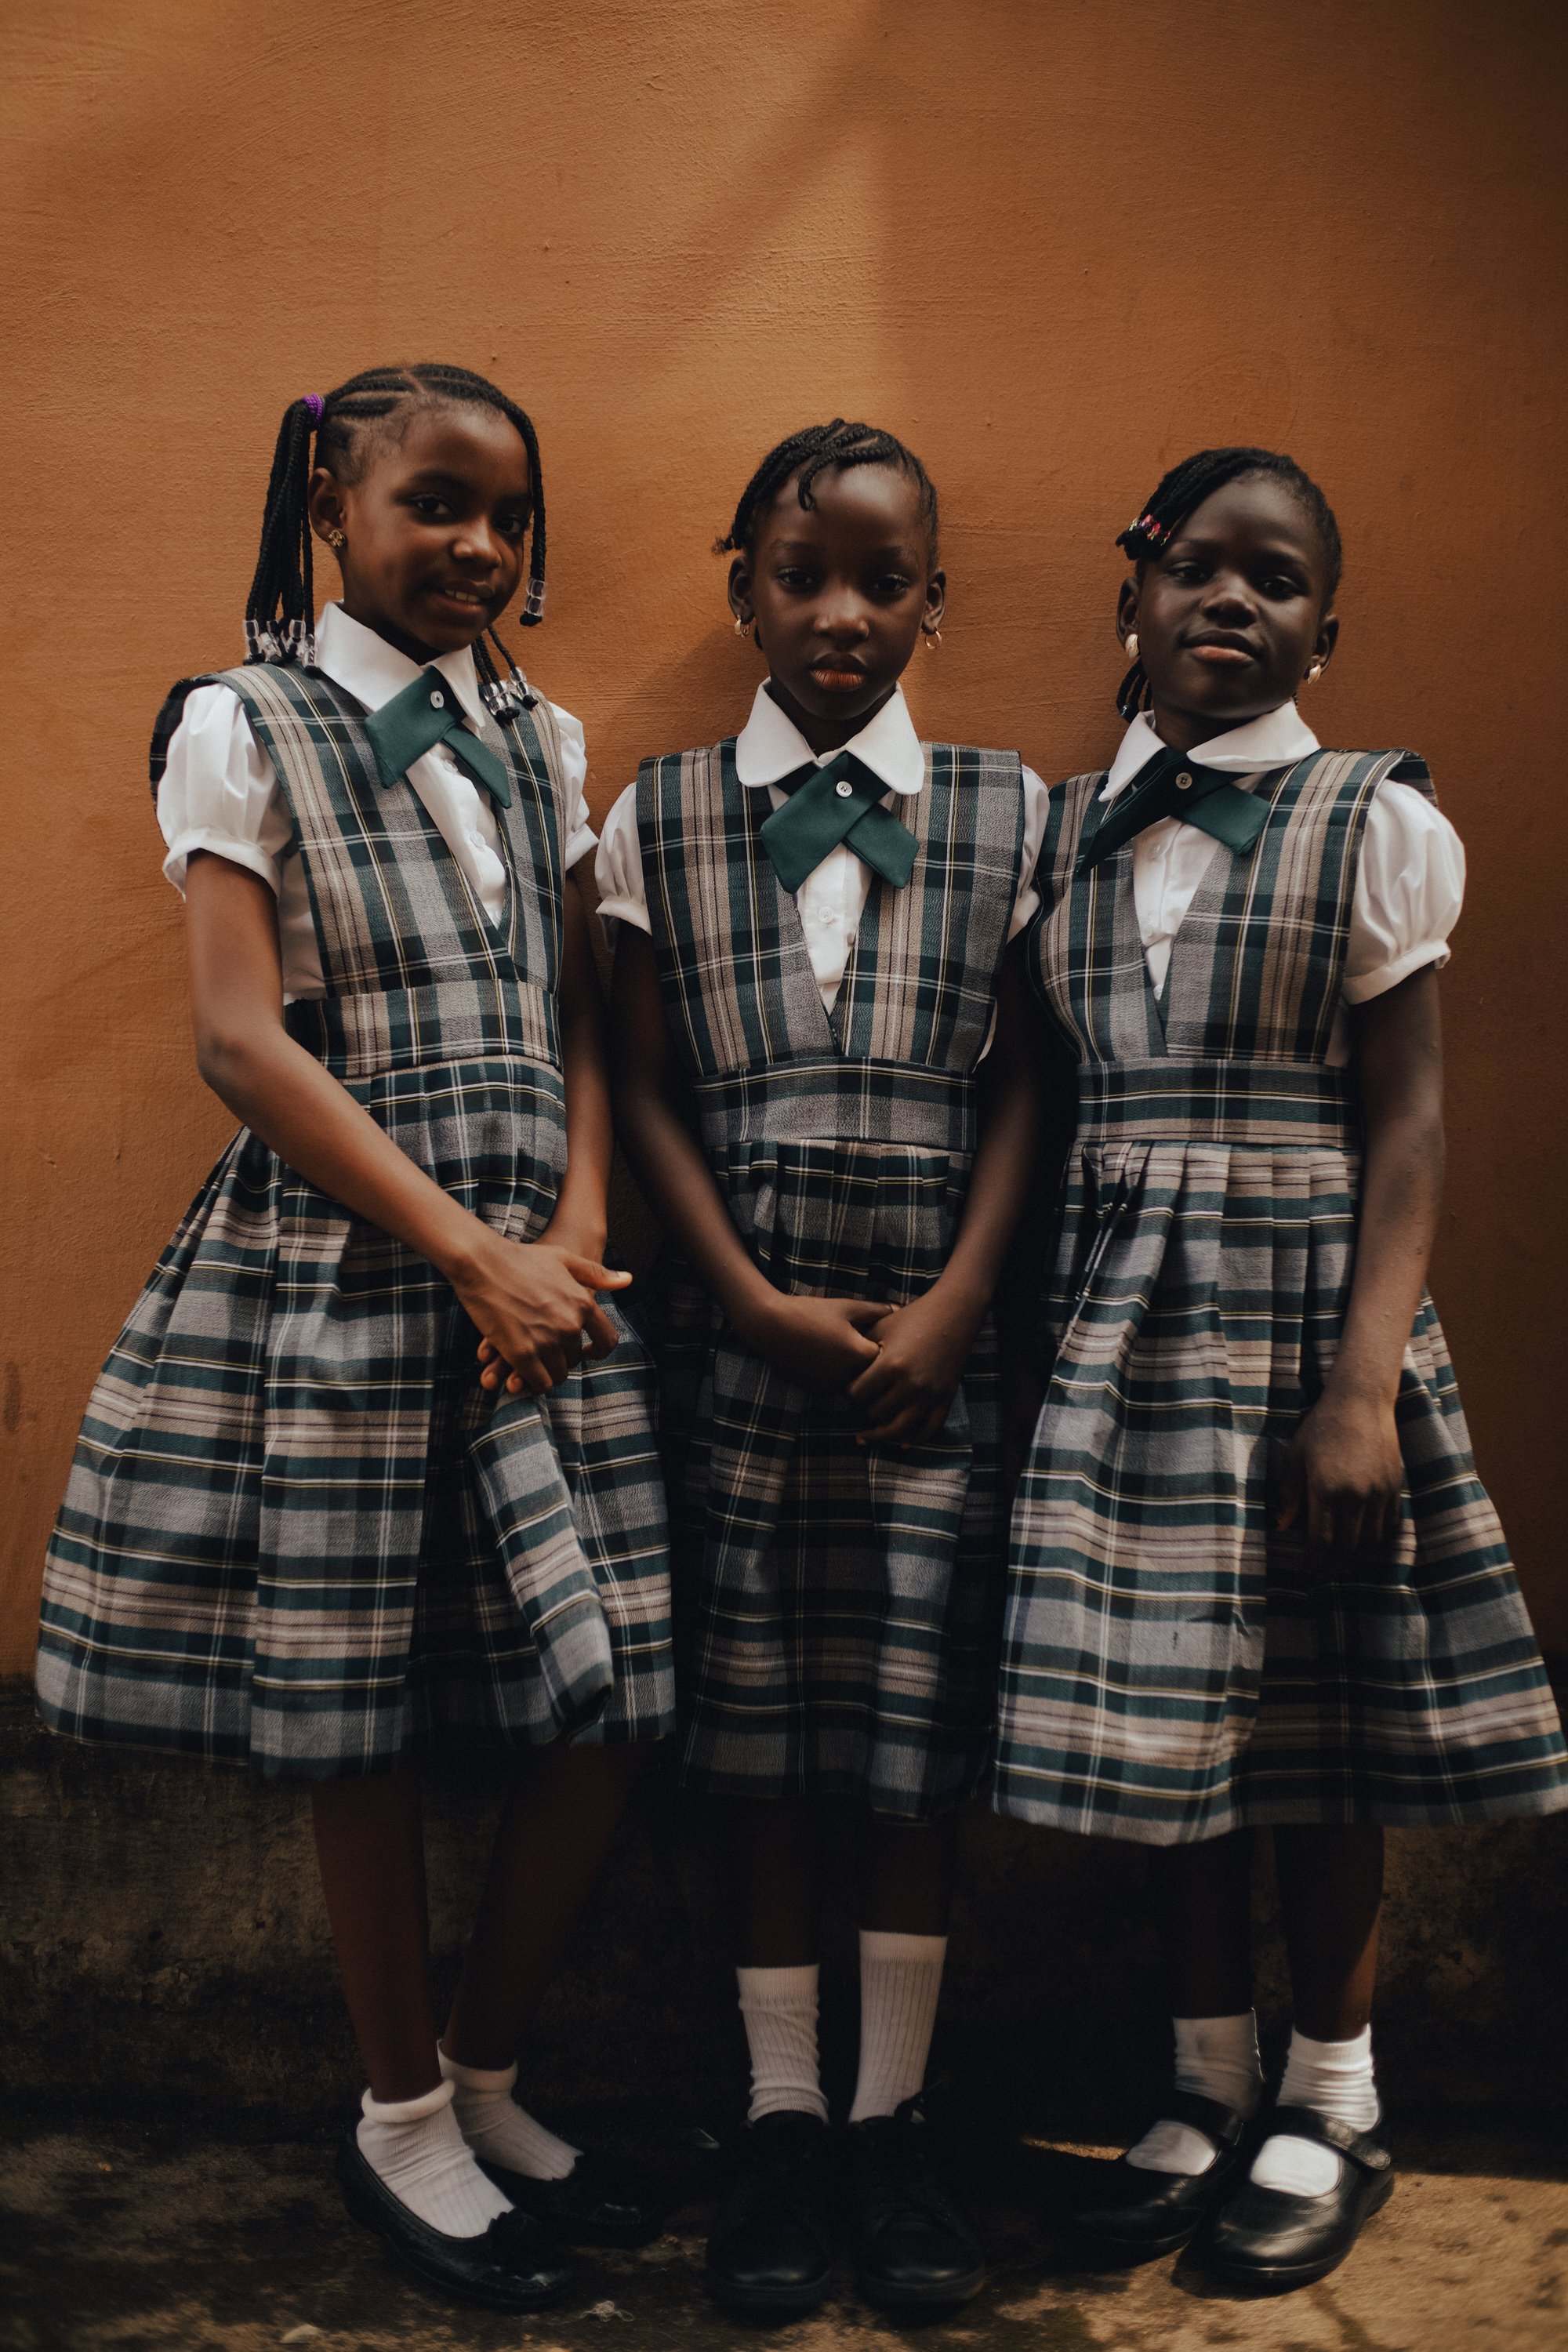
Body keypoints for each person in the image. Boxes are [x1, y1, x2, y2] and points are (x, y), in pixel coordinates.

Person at [36, 365, 675, 2314]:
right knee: (363, 1704)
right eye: (433, 506)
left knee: (617, 1681)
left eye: (507, 517)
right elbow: (240, 1038)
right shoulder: (245, 724)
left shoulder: (543, 738)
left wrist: (565, 1231)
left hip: (547, 1269)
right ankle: (397, 2108)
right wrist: (461, 1250)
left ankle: (486, 2070)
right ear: (334, 504)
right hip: (353, 1251)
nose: (476, 547)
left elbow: (580, 1016)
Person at [995, 446, 1568, 2292]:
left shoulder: (1368, 821)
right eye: (1195, 569)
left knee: (1315, 1733)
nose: (1231, 603)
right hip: (1121, 1339)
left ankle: (1334, 2094)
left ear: (1327, 625)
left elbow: (1404, 1133)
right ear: (1133, 591)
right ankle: (1200, 2078)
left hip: (1306, 1312)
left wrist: (1357, 1387)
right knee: (1172, 1727)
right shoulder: (1061, 834)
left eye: (1279, 581)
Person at [601, 420, 1045, 2318]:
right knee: (765, 1750)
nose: (842, 612)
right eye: (802, 576)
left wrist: (954, 1302)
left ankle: (893, 2122)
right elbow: (635, 1088)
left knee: (904, 1761)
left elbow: (1036, 1078)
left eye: (884, 580)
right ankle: (782, 2123)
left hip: (938, 1356)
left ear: (936, 597)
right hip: (740, 1351)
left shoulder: (1020, 812)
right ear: (741, 592)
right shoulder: (658, 812)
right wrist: (747, 1300)